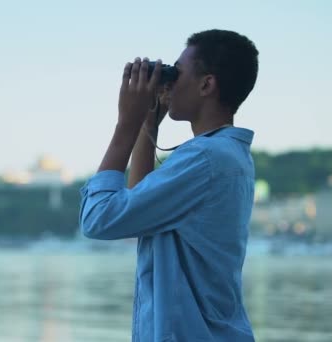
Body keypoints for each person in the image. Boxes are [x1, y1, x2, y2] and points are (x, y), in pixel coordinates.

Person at [78, 29, 259, 341]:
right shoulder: (227, 154)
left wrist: (126, 124)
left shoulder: (204, 158)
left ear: (206, 84)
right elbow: (137, 212)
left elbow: (99, 219)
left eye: (177, 72)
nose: (169, 82)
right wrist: (148, 125)